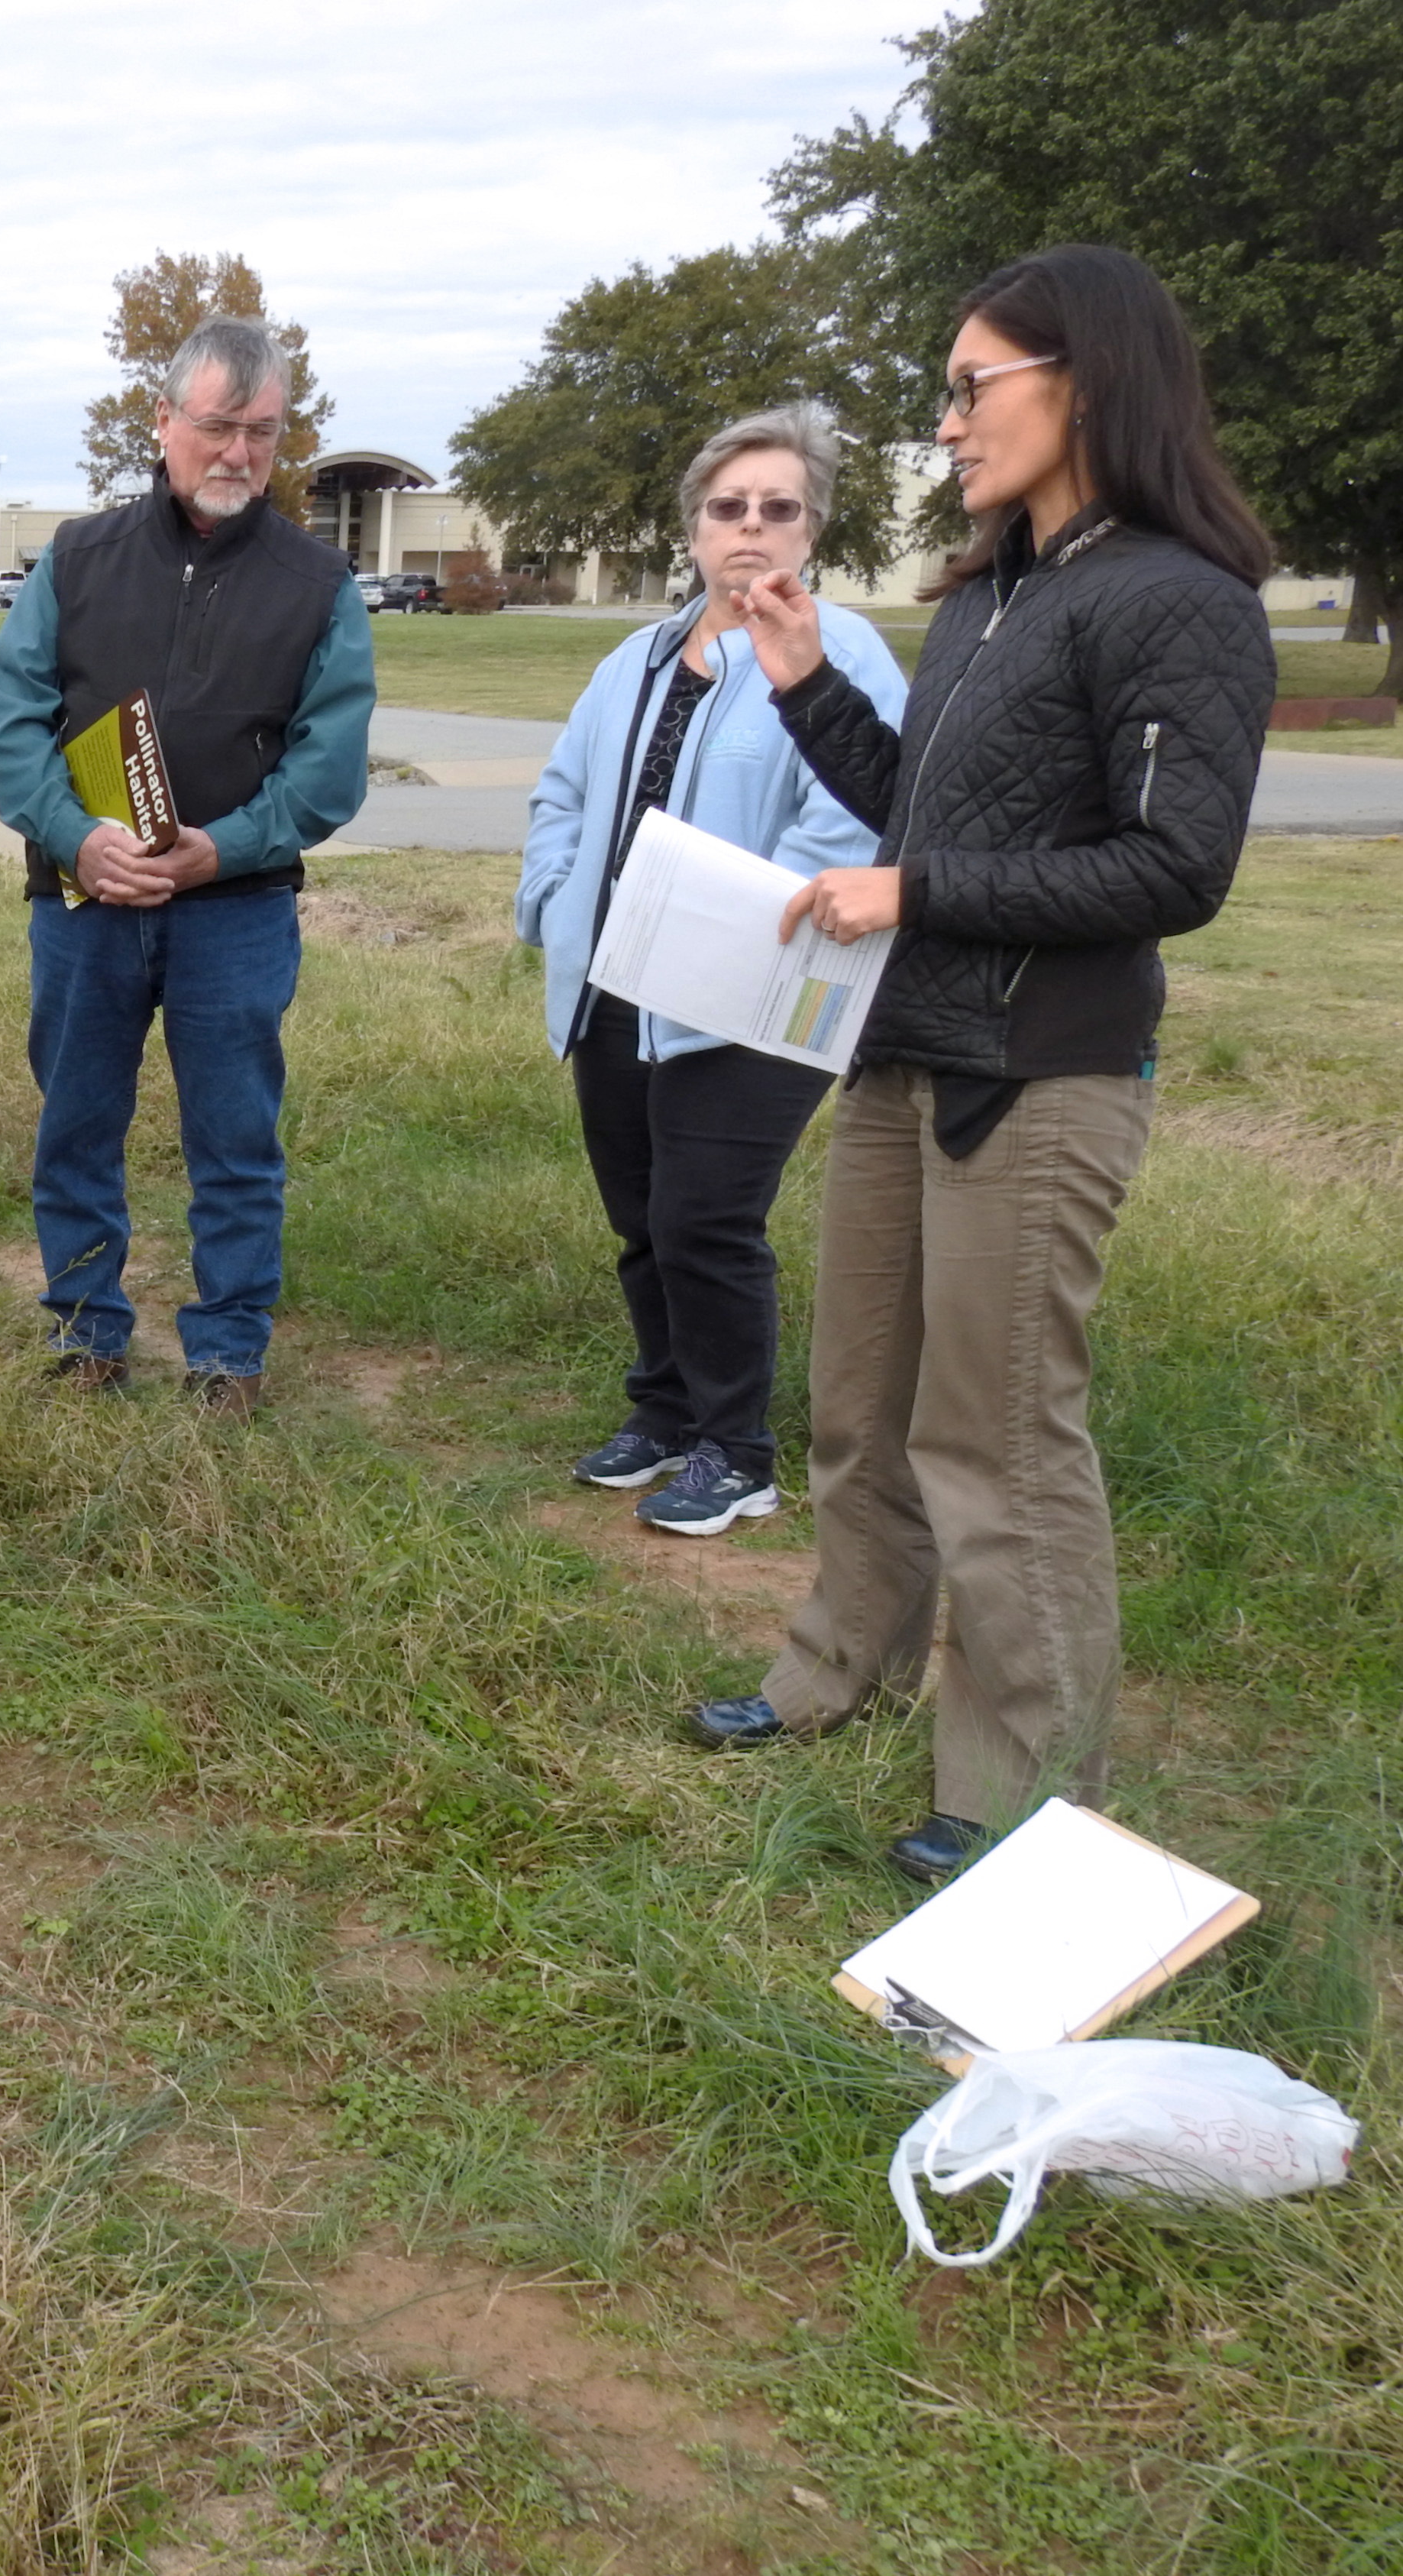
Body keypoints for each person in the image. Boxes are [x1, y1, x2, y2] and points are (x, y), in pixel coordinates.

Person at [694, 244, 1276, 1883]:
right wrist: (809, 684)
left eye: (974, 387)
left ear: (1083, 381)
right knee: (862, 1409)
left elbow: (1177, 868)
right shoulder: (994, 594)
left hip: (1043, 1075)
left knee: (998, 1436)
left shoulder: (1180, 599)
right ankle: (833, 1674)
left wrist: (919, 889)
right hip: (902, 1056)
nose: (948, 421)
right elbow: (924, 823)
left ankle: (1017, 1789)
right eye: (947, 392)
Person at [517, 406, 910, 1538]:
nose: (750, 530)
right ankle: (666, 1407)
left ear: (812, 529)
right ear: (692, 526)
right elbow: (563, 798)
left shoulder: (847, 655)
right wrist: (558, 902)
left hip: (755, 999)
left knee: (707, 1218)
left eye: (777, 509)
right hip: (613, 989)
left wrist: (725, 940)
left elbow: (850, 824)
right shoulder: (633, 659)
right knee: (641, 1214)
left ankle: (738, 1448)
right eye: (727, 508)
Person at [0, 314, 375, 1413]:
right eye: (214, 427)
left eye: (261, 431)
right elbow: (14, 718)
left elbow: (329, 767)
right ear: (163, 424)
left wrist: (224, 851)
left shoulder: (319, 584)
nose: (237, 454)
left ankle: (227, 1353)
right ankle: (83, 1331)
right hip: (86, 906)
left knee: (236, 1138)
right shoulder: (77, 558)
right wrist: (79, 840)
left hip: (234, 913)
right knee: (76, 1124)